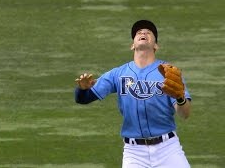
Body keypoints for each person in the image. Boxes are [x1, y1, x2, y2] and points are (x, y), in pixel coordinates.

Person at [74, 20, 192, 168]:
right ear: (132, 45)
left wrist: (180, 98)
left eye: (148, 32)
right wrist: (83, 89)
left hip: (168, 149)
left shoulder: (169, 73)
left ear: (156, 45)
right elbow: (82, 99)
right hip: (134, 153)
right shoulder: (118, 74)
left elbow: (185, 114)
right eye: (138, 32)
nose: (143, 33)